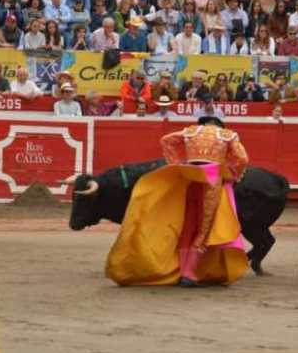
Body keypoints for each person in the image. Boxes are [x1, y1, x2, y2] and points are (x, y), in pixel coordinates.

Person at [105, 116, 250, 287]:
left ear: (202, 125)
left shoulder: (191, 131)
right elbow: (243, 159)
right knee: (204, 226)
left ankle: (182, 270)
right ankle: (190, 274)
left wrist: (177, 165)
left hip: (189, 177)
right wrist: (232, 175)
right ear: (219, 126)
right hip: (212, 180)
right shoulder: (228, 135)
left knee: (188, 223)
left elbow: (166, 140)